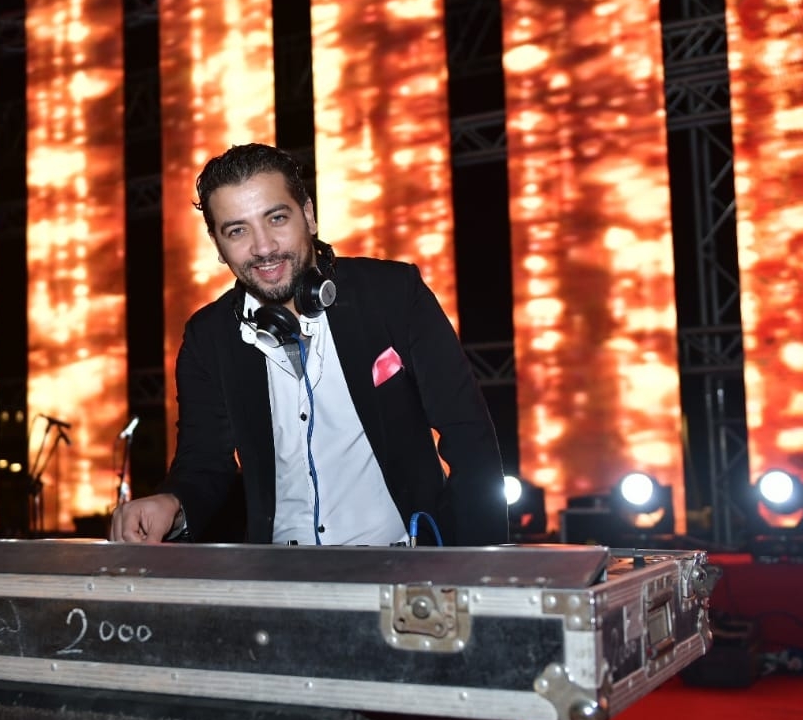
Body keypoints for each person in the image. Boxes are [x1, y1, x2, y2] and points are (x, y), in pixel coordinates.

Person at [110, 143, 508, 547]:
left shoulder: (393, 294)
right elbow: (203, 462)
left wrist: (480, 562)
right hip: (277, 574)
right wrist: (172, 503)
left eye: (276, 218)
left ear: (309, 215)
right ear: (217, 245)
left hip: (401, 566)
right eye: (237, 230)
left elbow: (468, 434)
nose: (264, 247)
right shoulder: (208, 337)